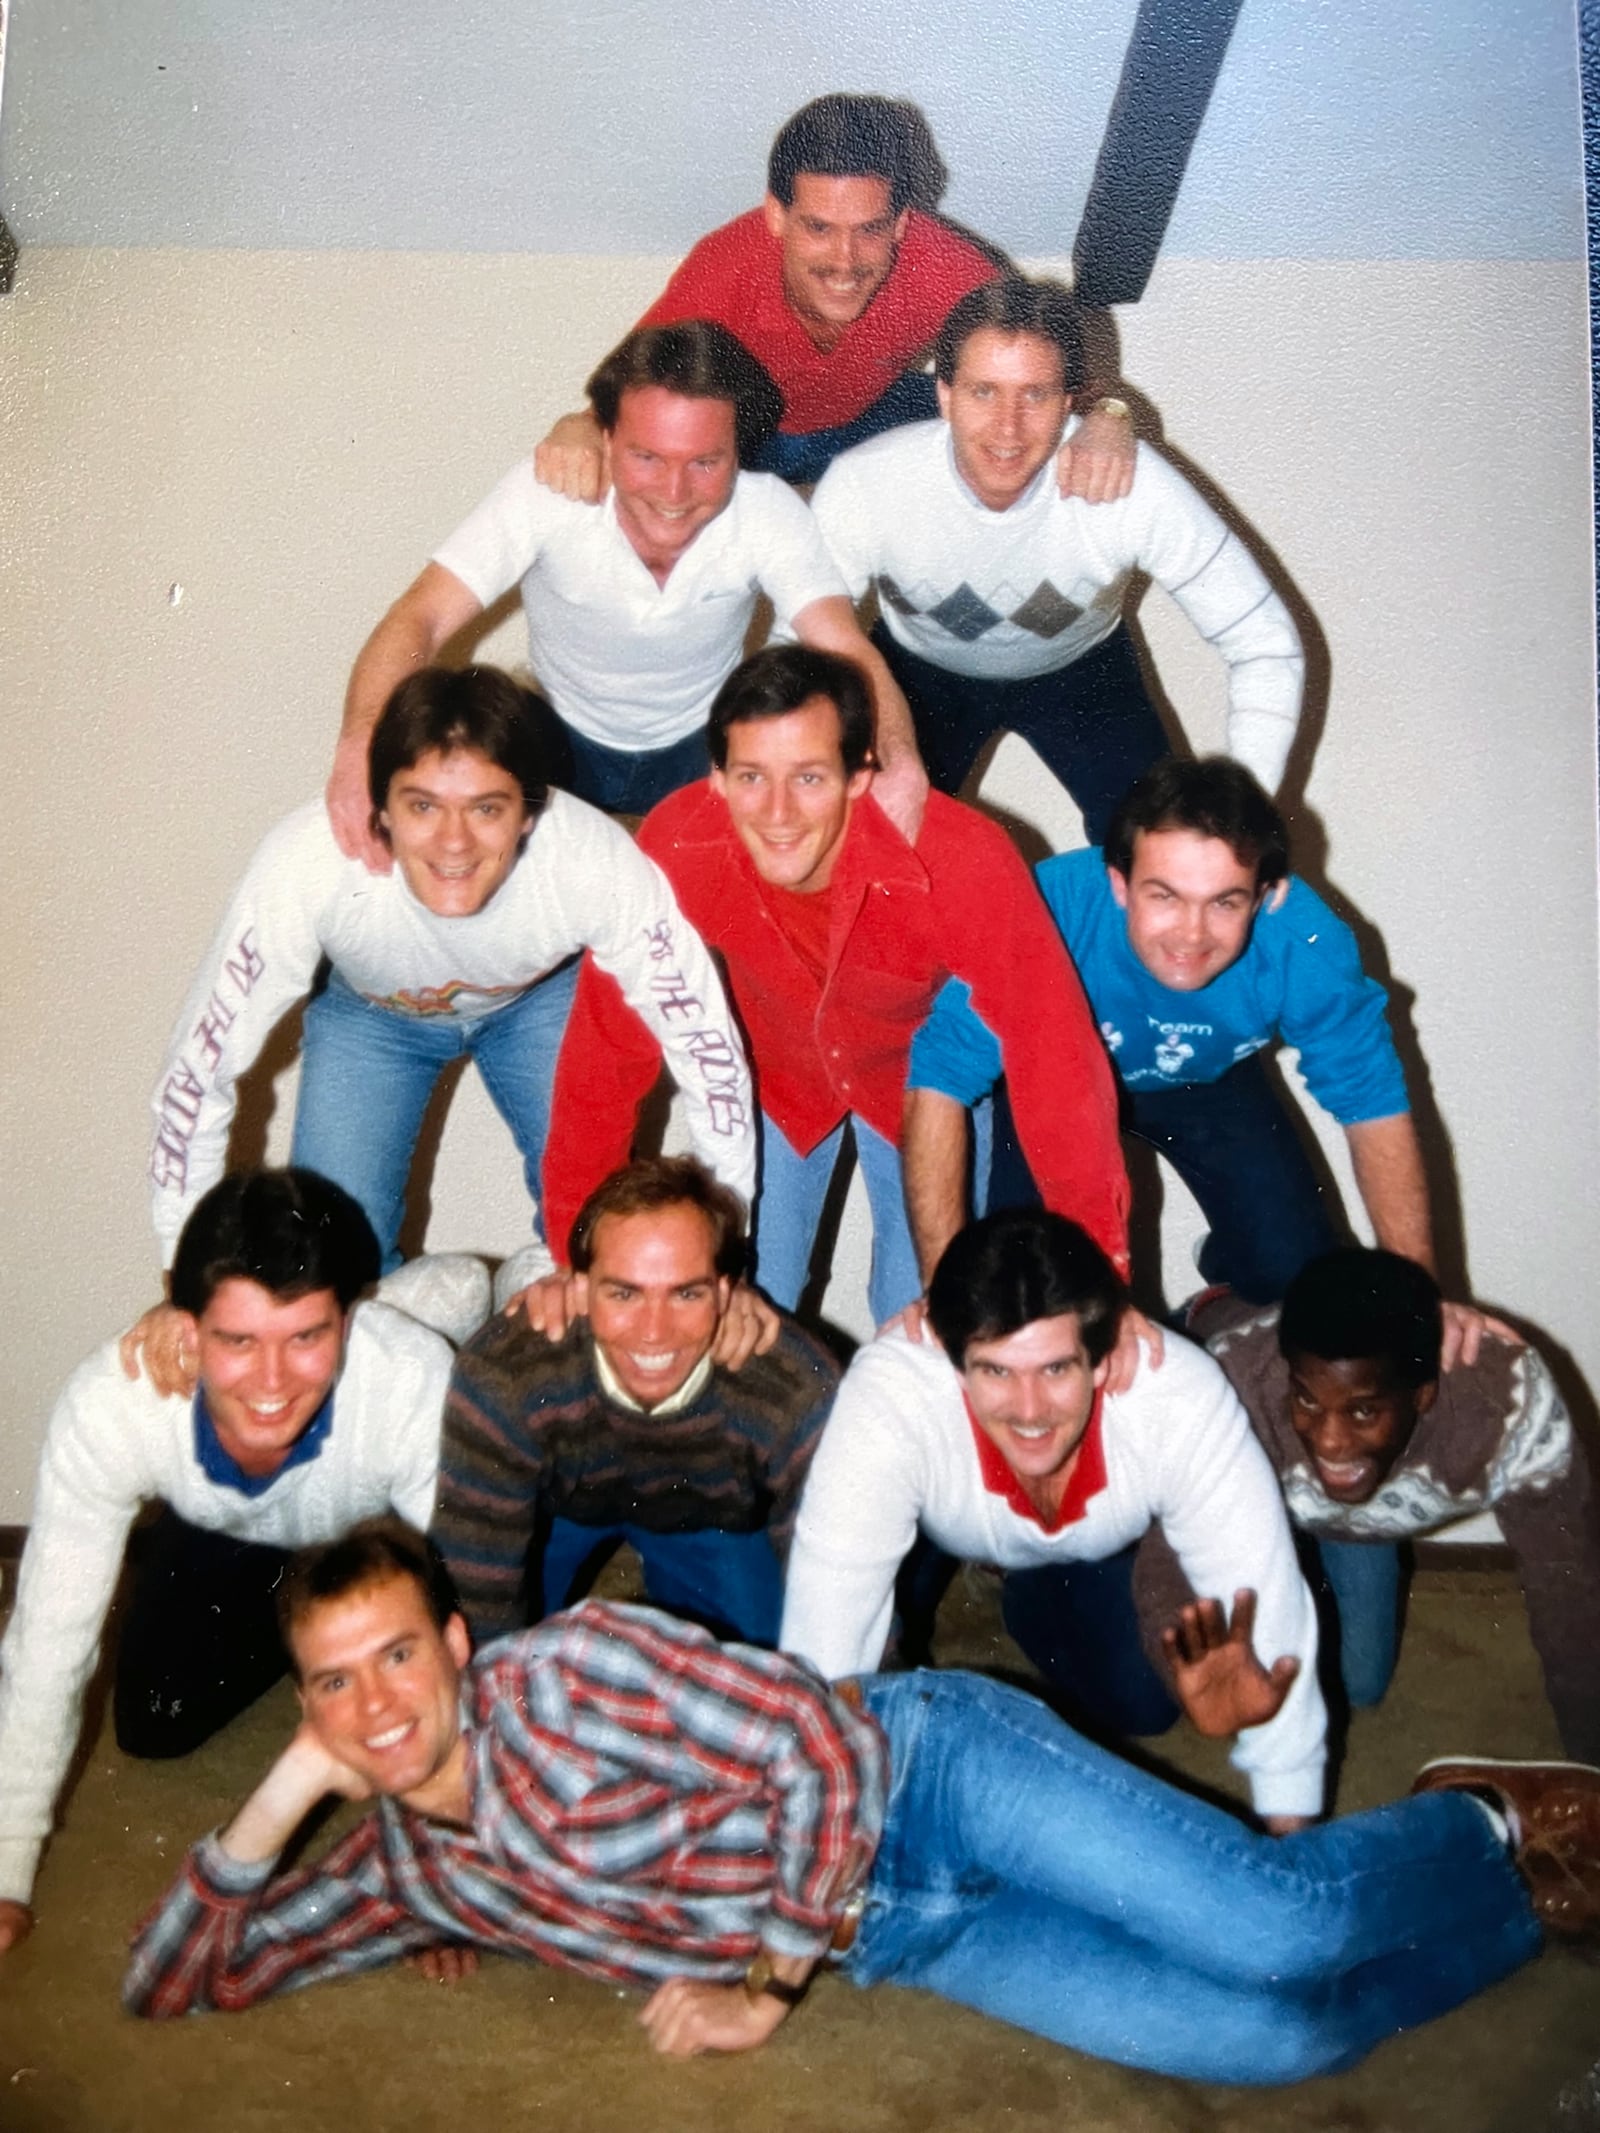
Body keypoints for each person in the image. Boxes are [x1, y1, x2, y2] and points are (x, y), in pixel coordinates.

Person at [124, 1515, 1600, 2085]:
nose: (377, 1704)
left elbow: (818, 1754)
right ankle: (1524, 1908)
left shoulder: (574, 1669)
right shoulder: (409, 1869)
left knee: (1274, 1931)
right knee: (1275, 2040)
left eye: (397, 1655)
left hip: (930, 1776)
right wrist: (285, 1792)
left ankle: (1481, 1813)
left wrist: (766, 1983)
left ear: (455, 1643)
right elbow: (179, 1981)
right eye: (333, 1687)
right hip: (906, 1935)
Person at [546, 643, 1128, 1329]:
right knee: (743, 1314)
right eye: (752, 777)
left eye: (811, 778)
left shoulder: (963, 858)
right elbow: (604, 1055)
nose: (779, 812)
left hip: (916, 1091)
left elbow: (1054, 1059)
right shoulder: (676, 845)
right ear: (716, 777)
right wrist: (573, 1259)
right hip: (777, 1085)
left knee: (923, 1323)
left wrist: (1105, 1284)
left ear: (860, 775)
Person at [0, 1170, 483, 1957]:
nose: (271, 1382)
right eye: (237, 1340)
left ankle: (453, 1302)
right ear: (185, 1331)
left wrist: (454, 1862)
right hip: (243, 1526)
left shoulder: (405, 1376)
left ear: (348, 1322)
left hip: (377, 1525)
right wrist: (5, 1868)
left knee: (487, 1603)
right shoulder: (113, 1402)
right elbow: (48, 1643)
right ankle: (299, 1622)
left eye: (306, 1336)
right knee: (153, 1720)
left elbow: (483, 1623)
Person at [150, 665, 755, 1285]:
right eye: (422, 806)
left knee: (598, 1241)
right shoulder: (309, 863)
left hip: (537, 999)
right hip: (373, 1014)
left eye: (486, 808)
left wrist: (730, 1259)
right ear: (379, 807)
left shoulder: (590, 860)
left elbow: (706, 1052)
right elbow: (197, 1076)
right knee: (330, 1262)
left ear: (529, 812)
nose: (454, 843)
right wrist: (184, 1272)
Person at [905, 757, 1489, 1352]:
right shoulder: (1045, 914)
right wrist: (939, 1288)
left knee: (1295, 1277)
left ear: (1267, 896)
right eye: (1164, 896)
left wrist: (1425, 1299)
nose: (1191, 934)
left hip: (1207, 1080)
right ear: (1117, 883)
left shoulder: (1305, 942)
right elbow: (937, 1078)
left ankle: (1219, 1295)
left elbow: (1373, 1106)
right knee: (1025, 1295)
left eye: (1225, 903)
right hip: (1059, 1080)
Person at [782, 1208, 1325, 1823]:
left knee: (1142, 1701)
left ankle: (1019, 1591)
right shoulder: (895, 1392)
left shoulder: (1175, 1397)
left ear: (1102, 1358)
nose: (1030, 1409)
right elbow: (823, 1644)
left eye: (1057, 1369)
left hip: (1086, 1544)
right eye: (996, 1371)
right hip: (936, 1531)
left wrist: (1289, 1827)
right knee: (849, 1682)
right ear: (951, 1361)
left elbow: (1269, 1611)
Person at [326, 320, 926, 861]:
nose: (673, 491)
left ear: (737, 453)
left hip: (701, 745)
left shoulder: (767, 511)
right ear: (605, 438)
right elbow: (422, 616)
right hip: (558, 740)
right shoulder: (548, 495)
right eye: (647, 457)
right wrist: (360, 749)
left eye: (704, 462)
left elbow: (843, 650)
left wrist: (900, 764)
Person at [811, 276, 1305, 839]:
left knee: (1171, 848)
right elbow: (794, 645)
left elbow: (1265, 643)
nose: (1008, 426)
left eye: (1036, 394)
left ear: (1070, 401)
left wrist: (1246, 816)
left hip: (1086, 676)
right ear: (944, 394)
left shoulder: (1132, 486)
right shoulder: (865, 484)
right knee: (868, 846)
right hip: (914, 678)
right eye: (984, 391)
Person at [532, 93, 1138, 495]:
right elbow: (632, 392)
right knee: (635, 465)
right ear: (776, 216)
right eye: (819, 228)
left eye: (870, 229)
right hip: (753, 434)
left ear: (901, 222)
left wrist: (1110, 418)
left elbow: (1067, 377)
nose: (845, 262)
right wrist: (578, 425)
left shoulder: (949, 268)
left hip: (874, 422)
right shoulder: (725, 266)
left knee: (1018, 426)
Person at [1161, 1251, 1600, 1756]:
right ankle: (1223, 1290)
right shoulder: (1228, 1387)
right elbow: (1165, 1542)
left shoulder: (1509, 1406)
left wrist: (1588, 1766)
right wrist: (1181, 1668)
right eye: (1306, 1400)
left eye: (1364, 1410)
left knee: (1360, 1685)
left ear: (1423, 1394)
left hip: (1343, 1508)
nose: (1330, 1441)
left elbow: (1571, 1593)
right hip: (1249, 1425)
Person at [433, 1158, 839, 1649]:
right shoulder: (506, 1374)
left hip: (710, 1519)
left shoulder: (791, 1384)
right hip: (558, 1510)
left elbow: (843, 1597)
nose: (653, 1332)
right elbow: (471, 1602)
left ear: (726, 1293)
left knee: (777, 1659)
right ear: (579, 1288)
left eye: (686, 1293)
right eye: (624, 1293)